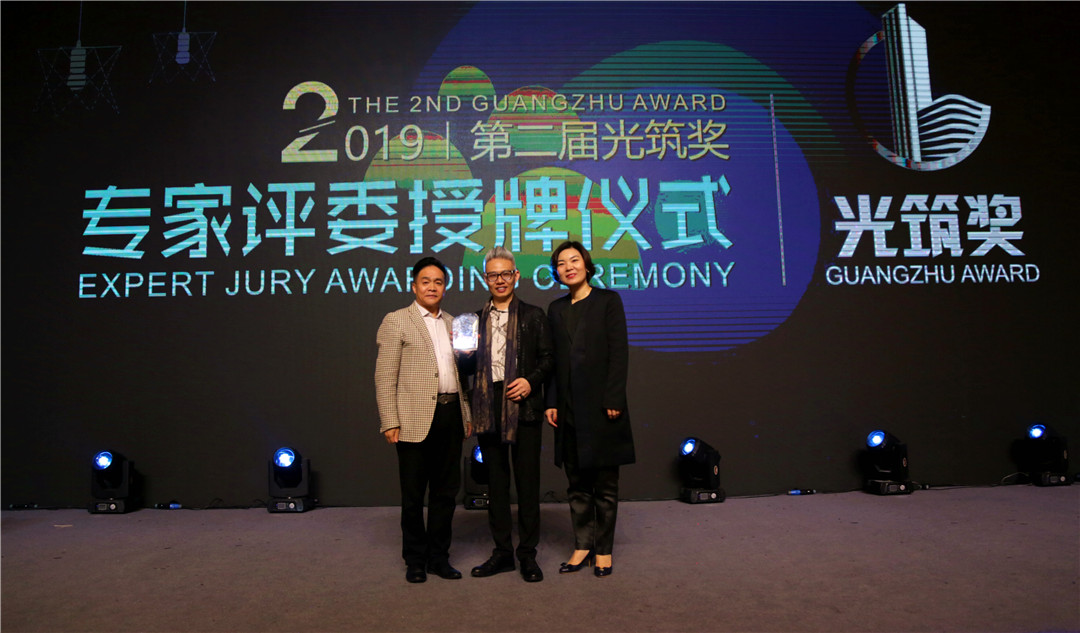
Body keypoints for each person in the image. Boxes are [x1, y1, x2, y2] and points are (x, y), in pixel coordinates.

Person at [374, 257, 472, 584]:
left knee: (446, 494)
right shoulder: (396, 320)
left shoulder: (454, 323)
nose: (432, 287)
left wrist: (466, 414)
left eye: (438, 282)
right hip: (412, 419)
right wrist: (389, 420)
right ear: (414, 285)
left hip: (451, 414)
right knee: (414, 496)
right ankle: (415, 560)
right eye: (426, 281)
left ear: (445, 287)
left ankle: (439, 558)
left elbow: (462, 376)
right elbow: (385, 376)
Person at [460, 246, 554, 583]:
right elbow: (465, 368)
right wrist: (464, 354)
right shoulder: (473, 320)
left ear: (516, 275)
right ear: (484, 279)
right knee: (496, 485)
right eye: (492, 275)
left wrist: (530, 381)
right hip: (488, 404)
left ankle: (527, 554)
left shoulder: (533, 315)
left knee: (527, 484)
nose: (499, 280)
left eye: (505, 273)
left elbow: (549, 358)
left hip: (523, 403)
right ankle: (502, 553)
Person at [544, 241, 635, 578]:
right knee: (577, 483)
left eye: (574, 260)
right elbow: (554, 361)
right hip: (568, 409)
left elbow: (619, 353)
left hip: (602, 407)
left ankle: (604, 549)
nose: (569, 267)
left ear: (586, 264)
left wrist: (614, 399)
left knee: (605, 485)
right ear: (556, 272)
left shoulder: (608, 301)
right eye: (561, 263)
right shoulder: (555, 309)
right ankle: (582, 545)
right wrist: (551, 401)